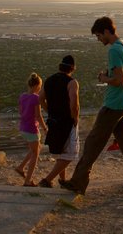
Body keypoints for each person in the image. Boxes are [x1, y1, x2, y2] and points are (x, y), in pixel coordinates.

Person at [59, 16, 123, 196]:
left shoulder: (114, 51)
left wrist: (104, 79)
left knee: (92, 143)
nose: (99, 40)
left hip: (113, 105)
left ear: (105, 31)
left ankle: (78, 183)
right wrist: (109, 75)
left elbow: (119, 80)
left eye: (98, 36)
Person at [37, 55, 80, 189]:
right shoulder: (72, 82)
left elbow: (40, 99)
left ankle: (63, 180)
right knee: (71, 152)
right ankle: (47, 180)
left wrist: (50, 111)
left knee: (61, 151)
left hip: (53, 120)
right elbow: (74, 104)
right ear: (72, 68)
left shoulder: (49, 80)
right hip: (67, 121)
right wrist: (75, 118)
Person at [15, 73, 48, 186]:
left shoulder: (22, 96)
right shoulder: (36, 98)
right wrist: (44, 127)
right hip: (31, 128)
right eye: (40, 86)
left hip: (23, 127)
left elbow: (20, 112)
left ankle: (20, 167)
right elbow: (38, 115)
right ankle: (28, 181)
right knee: (36, 153)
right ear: (37, 85)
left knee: (36, 148)